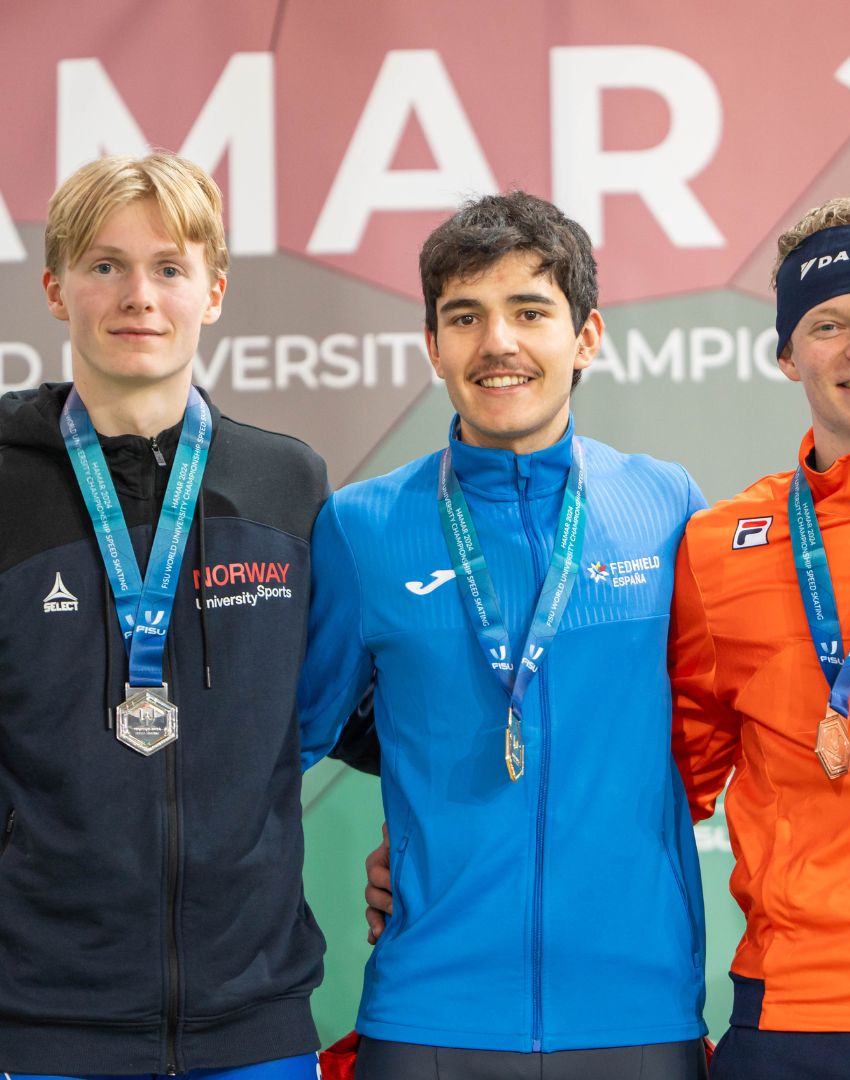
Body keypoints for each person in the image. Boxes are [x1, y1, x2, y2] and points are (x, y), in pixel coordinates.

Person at [296, 191, 708, 1080]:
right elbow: (291, 737)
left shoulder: (666, 507)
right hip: (429, 1008)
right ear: (433, 345)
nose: (499, 344)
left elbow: (724, 727)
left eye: (530, 311)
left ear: (586, 335)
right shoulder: (362, 526)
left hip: (638, 1005)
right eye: (466, 316)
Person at [0, 154, 327, 1079]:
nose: (137, 295)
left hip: (254, 1023)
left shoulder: (285, 483)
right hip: (37, 1023)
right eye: (105, 266)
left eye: (169, 268)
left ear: (214, 292)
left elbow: (338, 702)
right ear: (57, 289)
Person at [668, 195, 850, 1079]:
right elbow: (665, 783)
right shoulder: (719, 545)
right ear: (788, 353)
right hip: (797, 1016)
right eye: (828, 325)